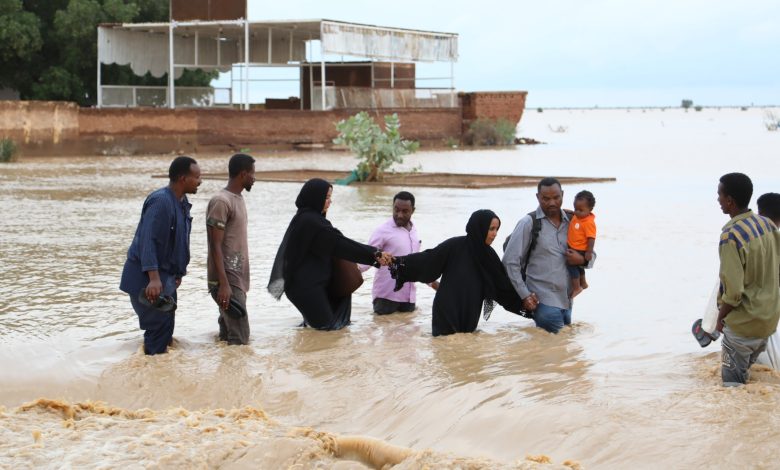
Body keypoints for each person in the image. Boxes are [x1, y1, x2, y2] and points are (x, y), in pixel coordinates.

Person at [267, 178, 392, 330]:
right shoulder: (312, 222)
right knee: (327, 331)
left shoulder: (305, 218)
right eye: (326, 198)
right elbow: (342, 245)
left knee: (320, 330)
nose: (329, 202)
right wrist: (375, 254)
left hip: (309, 285)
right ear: (315, 197)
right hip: (307, 289)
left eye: (330, 198)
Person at [389, 209, 524, 336]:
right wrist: (398, 262)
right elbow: (428, 260)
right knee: (445, 347)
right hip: (447, 307)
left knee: (466, 351)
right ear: (480, 228)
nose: (495, 234)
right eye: (491, 229)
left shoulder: (490, 256)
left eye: (496, 229)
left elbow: (502, 286)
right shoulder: (454, 246)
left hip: (470, 310)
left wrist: (526, 302)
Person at [119, 156, 201, 355]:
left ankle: (160, 378)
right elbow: (148, 241)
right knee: (157, 329)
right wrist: (154, 279)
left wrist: (178, 273)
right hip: (146, 280)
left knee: (167, 328)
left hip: (166, 278)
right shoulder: (161, 201)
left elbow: (179, 241)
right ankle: (149, 380)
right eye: (196, 177)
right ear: (182, 178)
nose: (200, 181)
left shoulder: (182, 202)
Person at [715, 174, 780, 386]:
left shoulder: (730, 236)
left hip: (743, 326)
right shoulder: (767, 225)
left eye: (720, 195)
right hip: (767, 322)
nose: (718, 199)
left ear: (730, 200)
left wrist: (719, 319)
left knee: (731, 388)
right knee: (750, 383)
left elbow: (733, 293)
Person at [502, 177, 587, 334]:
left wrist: (581, 259)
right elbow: (509, 261)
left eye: (556, 197)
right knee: (559, 348)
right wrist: (525, 295)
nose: (552, 203)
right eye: (546, 199)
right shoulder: (528, 223)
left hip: (567, 302)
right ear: (537, 197)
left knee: (560, 351)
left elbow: (590, 255)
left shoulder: (573, 222)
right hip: (543, 302)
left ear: (562, 194)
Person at [360, 191, 437, 315]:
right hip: (386, 298)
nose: (399, 215)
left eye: (405, 211)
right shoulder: (382, 231)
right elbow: (367, 256)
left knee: (409, 331)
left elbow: (416, 264)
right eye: (396, 210)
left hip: (409, 298)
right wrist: (349, 273)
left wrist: (434, 284)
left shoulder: (414, 231)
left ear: (413, 210)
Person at [207, 153, 255, 345]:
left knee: (228, 338)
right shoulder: (221, 201)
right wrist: (224, 284)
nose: (254, 178)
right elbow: (214, 245)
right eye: (252, 173)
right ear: (243, 174)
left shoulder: (237, 199)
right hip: (227, 280)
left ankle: (227, 374)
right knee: (240, 339)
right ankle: (238, 374)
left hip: (236, 279)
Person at [755, 192, 780, 370]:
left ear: (759, 212)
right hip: (771, 315)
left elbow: (727, 283)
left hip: (747, 318)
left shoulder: (748, 239)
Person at [567, 190, 597, 298]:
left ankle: (576, 287)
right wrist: (571, 211)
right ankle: (583, 283)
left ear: (590, 210)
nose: (577, 212)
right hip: (575, 246)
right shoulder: (578, 216)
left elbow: (591, 238)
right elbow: (575, 213)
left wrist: (588, 252)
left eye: (580, 210)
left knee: (571, 264)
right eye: (576, 209)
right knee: (579, 267)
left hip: (581, 249)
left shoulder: (588, 222)